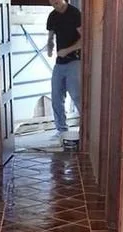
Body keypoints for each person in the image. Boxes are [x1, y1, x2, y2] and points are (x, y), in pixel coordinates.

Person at [46, 0, 82, 140]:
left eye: (57, 2)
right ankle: (62, 130)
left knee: (76, 96)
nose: (56, 5)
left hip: (74, 61)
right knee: (56, 97)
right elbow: (50, 37)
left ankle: (85, 130)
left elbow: (84, 40)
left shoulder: (74, 13)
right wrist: (50, 46)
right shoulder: (52, 16)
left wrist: (67, 50)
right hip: (59, 63)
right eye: (53, 4)